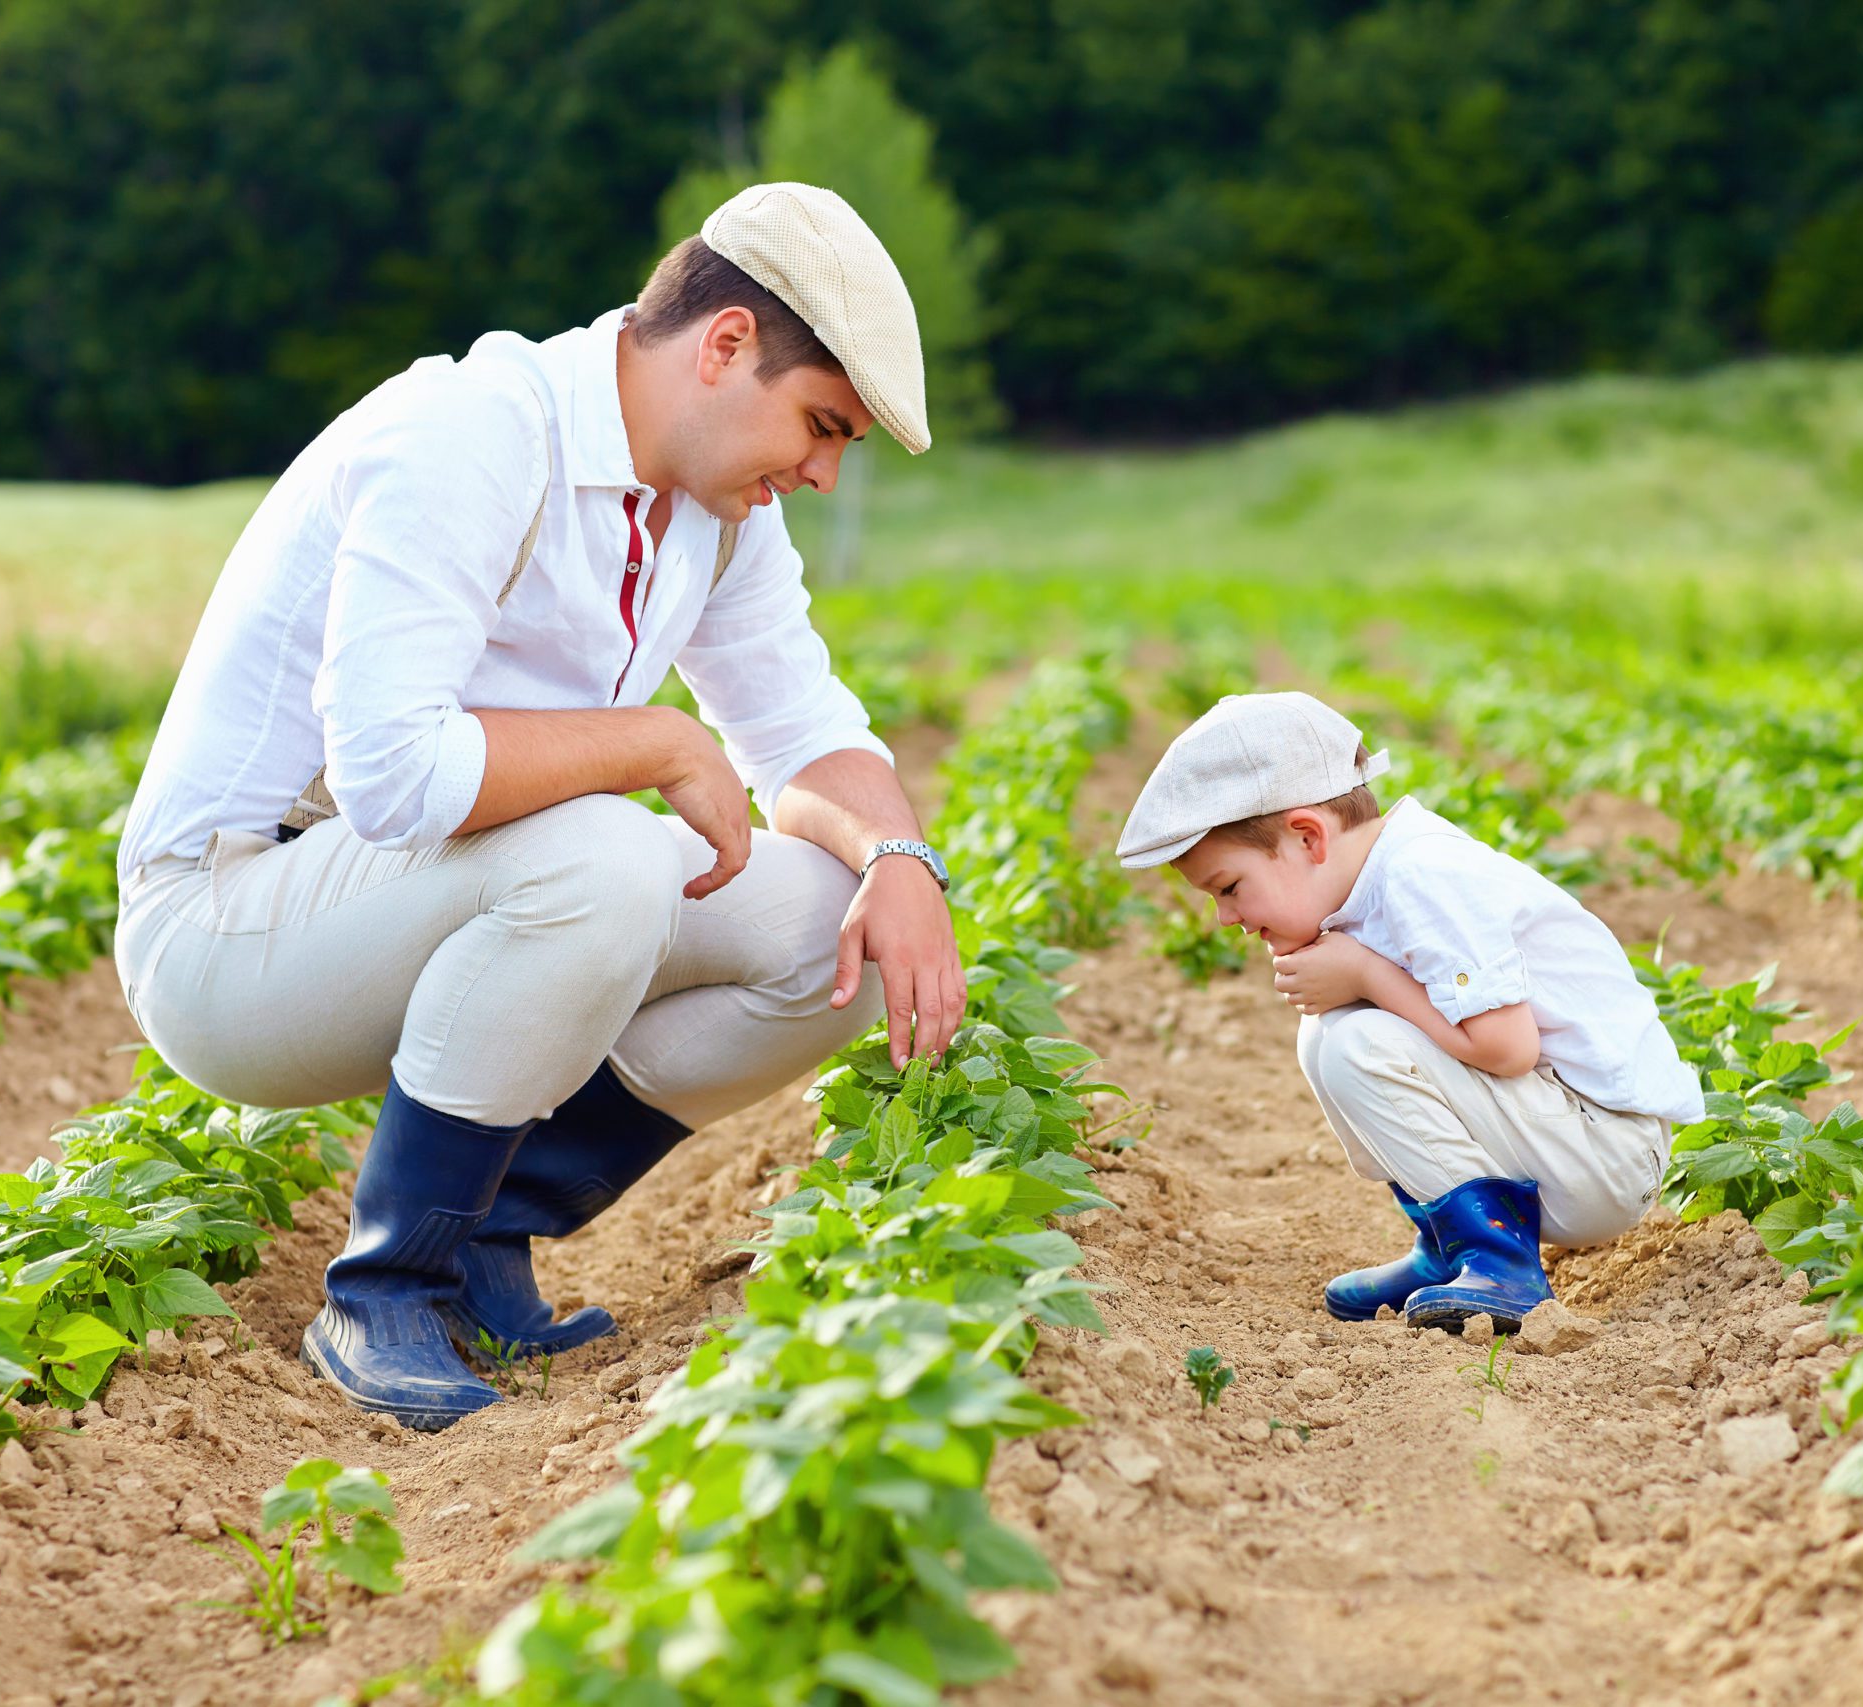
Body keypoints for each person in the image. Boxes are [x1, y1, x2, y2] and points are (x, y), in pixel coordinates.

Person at [112, 184, 967, 1429]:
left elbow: (802, 731)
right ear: (725, 346)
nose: (825, 474)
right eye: (822, 425)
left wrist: (899, 858)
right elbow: (393, 776)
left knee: (834, 928)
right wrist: (659, 737)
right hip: (234, 929)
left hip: (432, 900)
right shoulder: (470, 432)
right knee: (605, 856)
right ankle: (383, 1285)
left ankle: (480, 1238)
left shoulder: (716, 517)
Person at [1114, 692, 1703, 1331]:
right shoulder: (1383, 877)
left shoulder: (1423, 876)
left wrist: (1366, 973)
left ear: (1308, 837)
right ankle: (1449, 1249)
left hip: (1606, 1152)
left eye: (1228, 888)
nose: (1226, 917)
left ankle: (1499, 1260)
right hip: (1564, 1140)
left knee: (1355, 1040)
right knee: (1329, 1032)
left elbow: (1508, 1047)